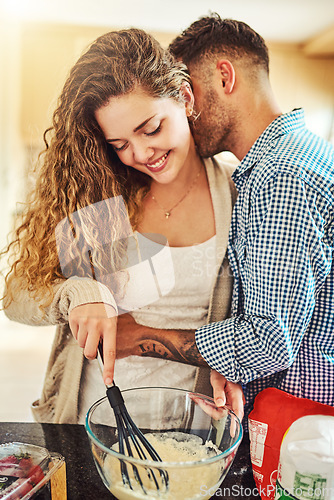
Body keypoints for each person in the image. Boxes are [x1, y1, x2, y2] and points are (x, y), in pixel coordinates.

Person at [1, 28, 244, 424]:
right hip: (94, 422)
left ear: (183, 97)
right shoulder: (104, 195)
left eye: (151, 129)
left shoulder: (237, 191)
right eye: (119, 144)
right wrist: (78, 291)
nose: (142, 154)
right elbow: (16, 298)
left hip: (192, 429)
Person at [115, 14, 333, 422]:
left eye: (188, 93)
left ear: (224, 77)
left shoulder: (280, 177)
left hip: (298, 421)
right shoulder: (295, 156)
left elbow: (270, 341)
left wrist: (141, 336)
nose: (184, 111)